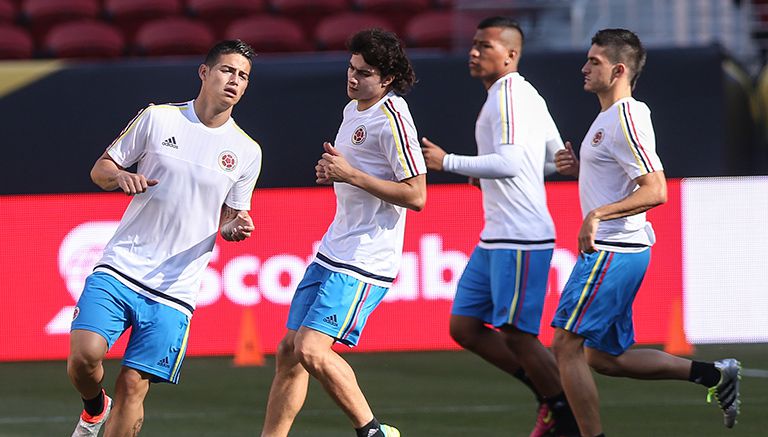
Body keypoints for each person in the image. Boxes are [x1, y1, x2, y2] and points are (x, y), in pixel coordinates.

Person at [550, 28, 741, 437]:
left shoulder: (625, 117)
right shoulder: (609, 118)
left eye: (594, 62)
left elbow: (656, 189)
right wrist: (582, 171)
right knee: (604, 358)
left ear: (618, 69)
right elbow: (623, 179)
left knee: (565, 346)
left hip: (613, 250)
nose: (584, 68)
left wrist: (598, 214)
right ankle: (713, 375)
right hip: (620, 249)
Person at [67, 40, 262, 437]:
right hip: (122, 267)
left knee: (133, 386)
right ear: (204, 73)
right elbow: (101, 168)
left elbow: (231, 216)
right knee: (84, 358)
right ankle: (93, 407)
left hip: (176, 289)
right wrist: (120, 176)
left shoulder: (247, 151)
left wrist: (231, 228)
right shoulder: (159, 118)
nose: (234, 81)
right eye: (227, 70)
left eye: (243, 76)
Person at [261, 28, 425, 437]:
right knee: (288, 352)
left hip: (366, 257)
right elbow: (354, 173)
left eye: (364, 73)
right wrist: (336, 173)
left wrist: (350, 173)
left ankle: (372, 432)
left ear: (386, 79)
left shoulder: (393, 118)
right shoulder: (354, 109)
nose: (353, 78)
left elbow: (416, 194)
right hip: (335, 247)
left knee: (311, 349)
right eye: (351, 68)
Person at [421, 16, 580, 437]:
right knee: (465, 327)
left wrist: (448, 162)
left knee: (517, 334)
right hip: (497, 234)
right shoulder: (521, 93)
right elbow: (551, 160)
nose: (473, 52)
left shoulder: (507, 95)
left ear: (510, 55)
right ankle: (551, 396)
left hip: (521, 234)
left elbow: (511, 163)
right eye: (473, 45)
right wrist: (486, 173)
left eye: (484, 46)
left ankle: (567, 412)